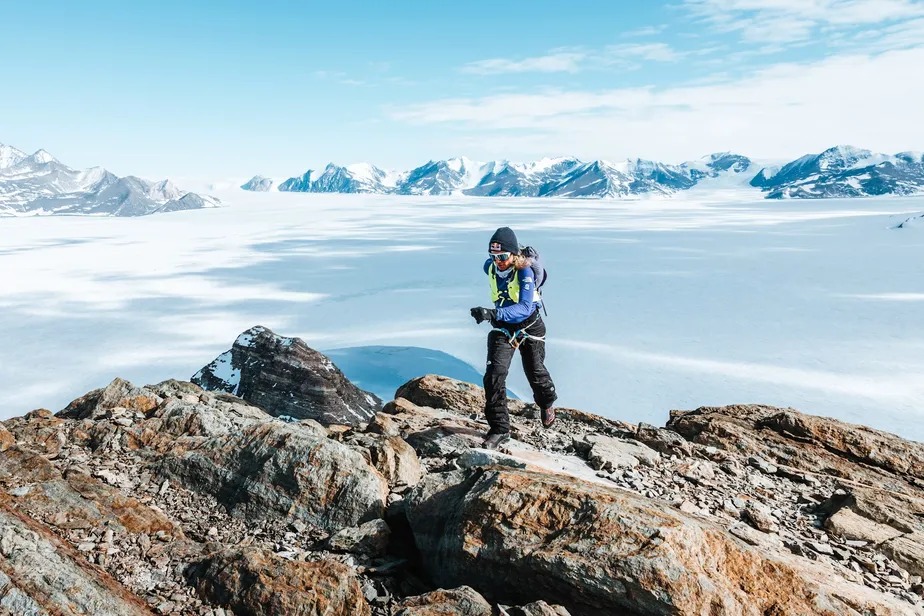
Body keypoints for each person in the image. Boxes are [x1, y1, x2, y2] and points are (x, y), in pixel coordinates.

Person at [470, 226, 557, 449]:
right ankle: (499, 429)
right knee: (493, 376)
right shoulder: (490, 267)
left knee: (535, 372)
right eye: (493, 256)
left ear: (513, 254)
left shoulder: (525, 272)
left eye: (502, 256)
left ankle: (547, 403)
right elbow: (490, 269)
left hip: (530, 326)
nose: (497, 260)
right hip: (503, 327)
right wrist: (495, 316)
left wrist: (491, 313)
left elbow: (526, 307)